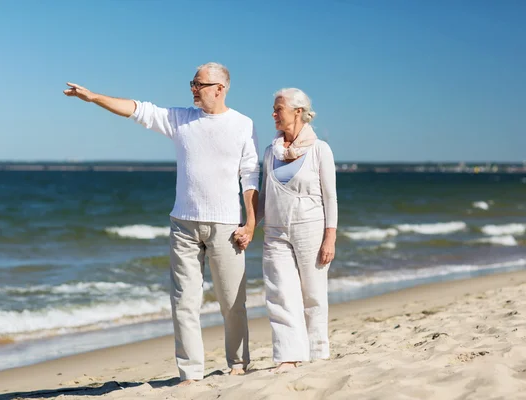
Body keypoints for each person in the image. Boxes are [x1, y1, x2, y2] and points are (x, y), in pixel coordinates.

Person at [63, 62, 259, 384]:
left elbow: (250, 176)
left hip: (226, 226)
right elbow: (137, 110)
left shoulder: (242, 124)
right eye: (192, 83)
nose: (193, 89)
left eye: (199, 84)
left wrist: (250, 224)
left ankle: (238, 362)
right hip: (183, 224)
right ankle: (191, 374)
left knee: (232, 302)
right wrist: (94, 97)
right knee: (184, 302)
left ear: (220, 89)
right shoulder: (180, 119)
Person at [252, 87, 337, 374]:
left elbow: (330, 198)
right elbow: (264, 196)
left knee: (312, 293)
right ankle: (288, 356)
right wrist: (250, 224)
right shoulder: (270, 152)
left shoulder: (319, 150)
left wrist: (330, 237)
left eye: (279, 109)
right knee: (280, 294)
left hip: (310, 229)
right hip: (275, 232)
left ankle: (317, 353)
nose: (274, 114)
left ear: (298, 111)